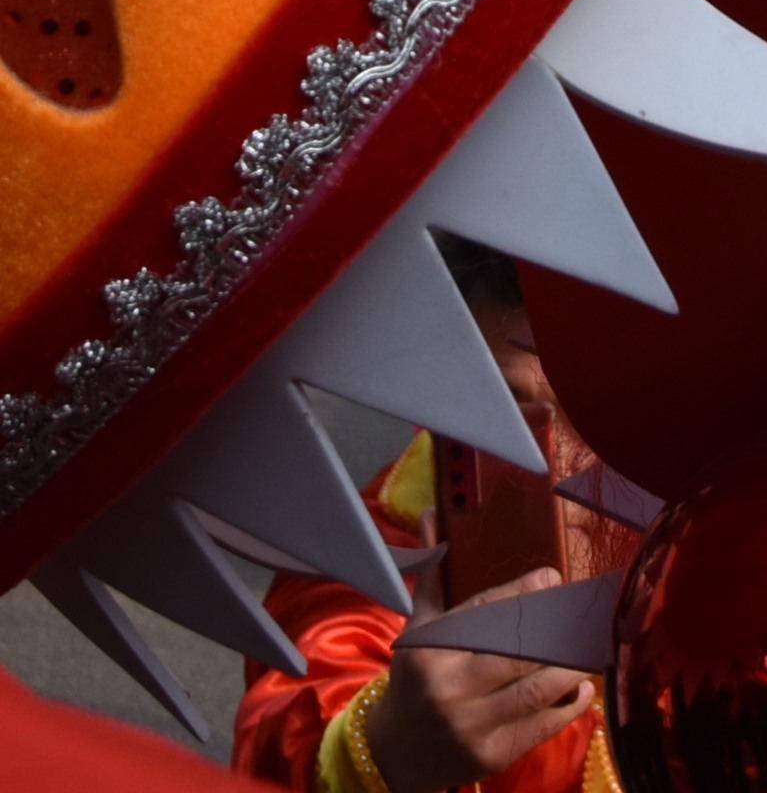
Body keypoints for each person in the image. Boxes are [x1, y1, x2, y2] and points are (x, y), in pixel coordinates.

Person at [230, 242, 626, 793]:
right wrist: (388, 750)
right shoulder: (368, 559)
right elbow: (293, 714)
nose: (561, 461)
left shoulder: (716, 530)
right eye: (515, 412)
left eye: (597, 410)